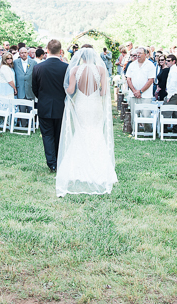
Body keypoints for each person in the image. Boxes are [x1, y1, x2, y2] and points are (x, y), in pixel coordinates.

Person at [56, 47, 117, 197]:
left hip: (82, 105)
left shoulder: (75, 69)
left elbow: (70, 90)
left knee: (82, 132)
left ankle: (77, 168)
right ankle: (99, 168)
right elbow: (103, 92)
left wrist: (67, 91)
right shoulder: (101, 69)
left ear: (80, 57)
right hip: (95, 105)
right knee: (95, 132)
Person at [32, 39, 67, 173]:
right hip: (61, 106)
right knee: (59, 135)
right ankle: (59, 161)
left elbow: (34, 88)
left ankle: (51, 164)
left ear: (47, 50)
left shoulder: (38, 67)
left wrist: (43, 98)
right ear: (60, 51)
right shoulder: (66, 67)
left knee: (47, 135)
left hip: (44, 105)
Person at [125, 47, 156, 133]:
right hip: (133, 94)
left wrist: (140, 91)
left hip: (146, 95)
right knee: (134, 113)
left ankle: (148, 132)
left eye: (140, 53)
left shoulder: (150, 65)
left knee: (146, 114)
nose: (137, 55)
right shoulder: (132, 65)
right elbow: (128, 79)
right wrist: (134, 91)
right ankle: (135, 131)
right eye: (137, 53)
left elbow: (150, 80)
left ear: (146, 55)